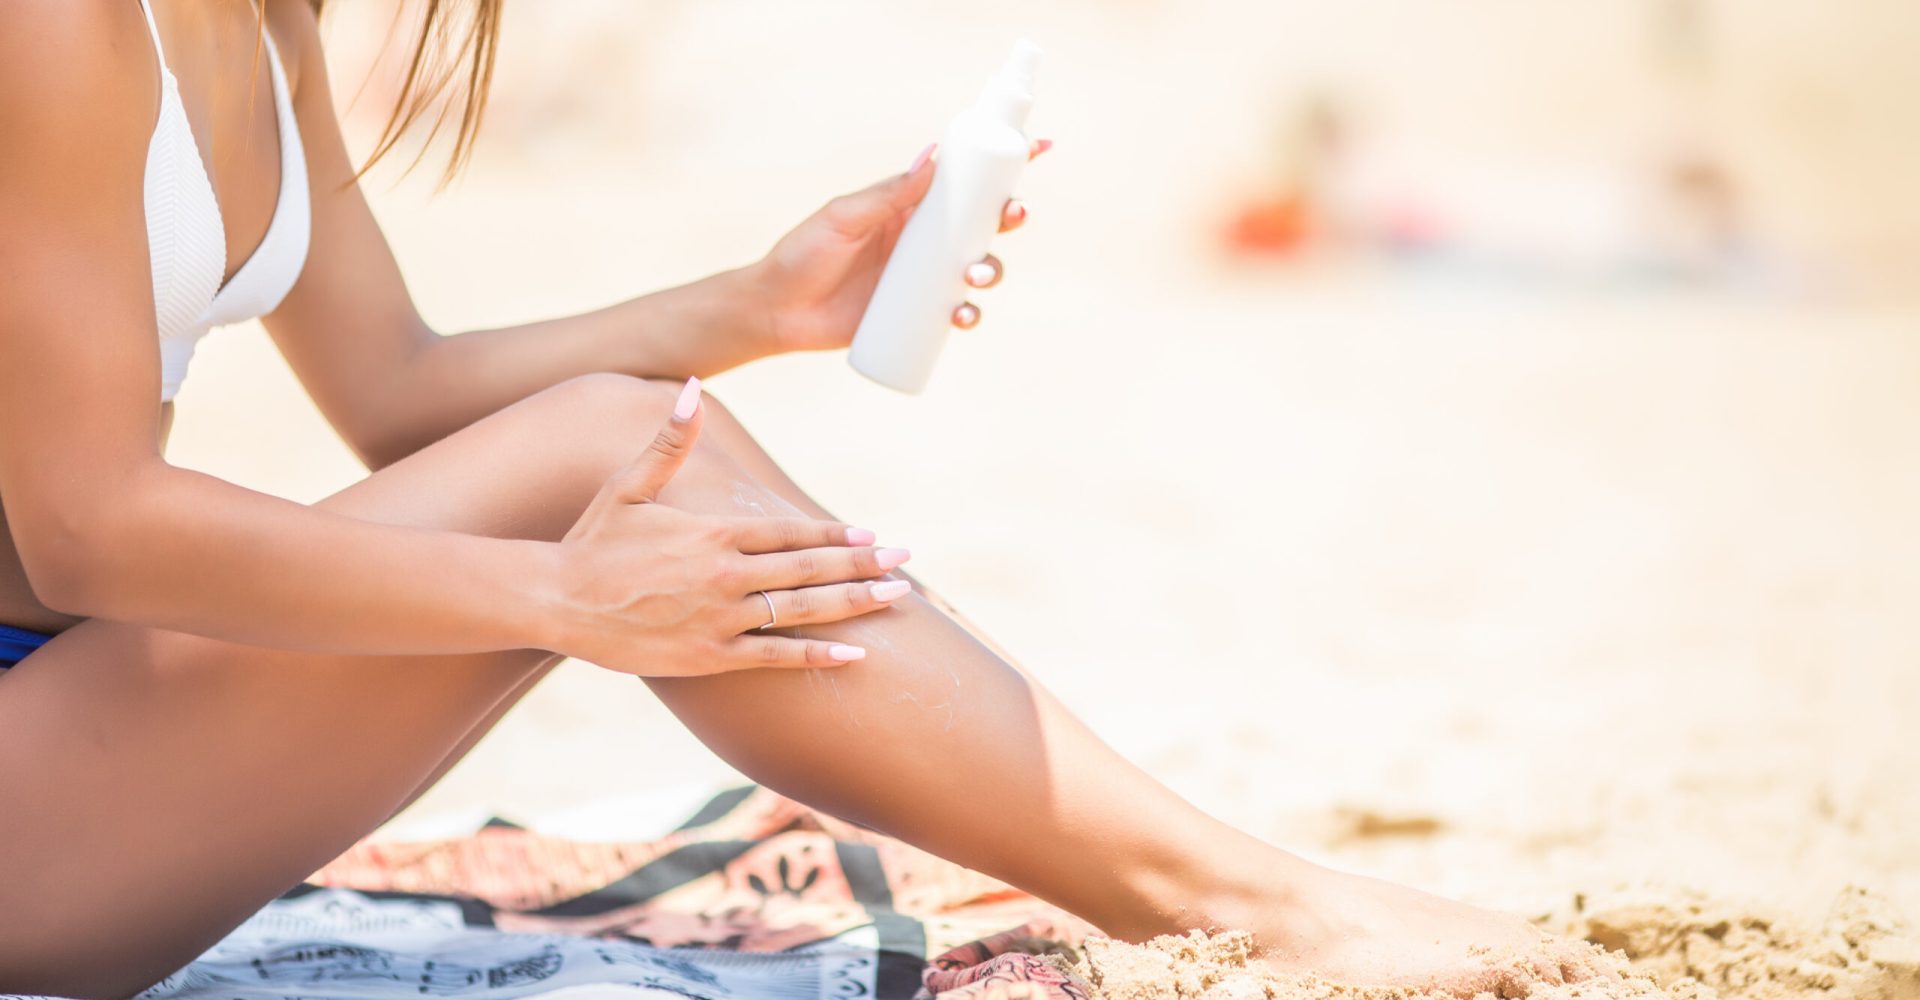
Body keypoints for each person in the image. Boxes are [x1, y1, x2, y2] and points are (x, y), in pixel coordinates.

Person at [0, 3, 1605, 996]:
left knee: (637, 438)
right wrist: (566, 600)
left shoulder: (260, 21)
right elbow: (89, 525)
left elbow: (395, 388)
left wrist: (755, 308)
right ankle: (1248, 904)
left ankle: (1237, 893)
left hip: (61, 757)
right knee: (607, 454)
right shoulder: (62, 21)